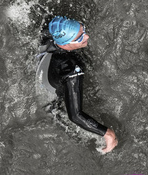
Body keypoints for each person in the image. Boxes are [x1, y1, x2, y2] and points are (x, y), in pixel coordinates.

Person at [35, 16, 118, 153]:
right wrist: (108, 133)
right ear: (66, 44)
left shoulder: (51, 30)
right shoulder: (71, 69)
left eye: (82, 29)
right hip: (50, 103)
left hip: (45, 71)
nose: (87, 36)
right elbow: (75, 115)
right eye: (80, 37)